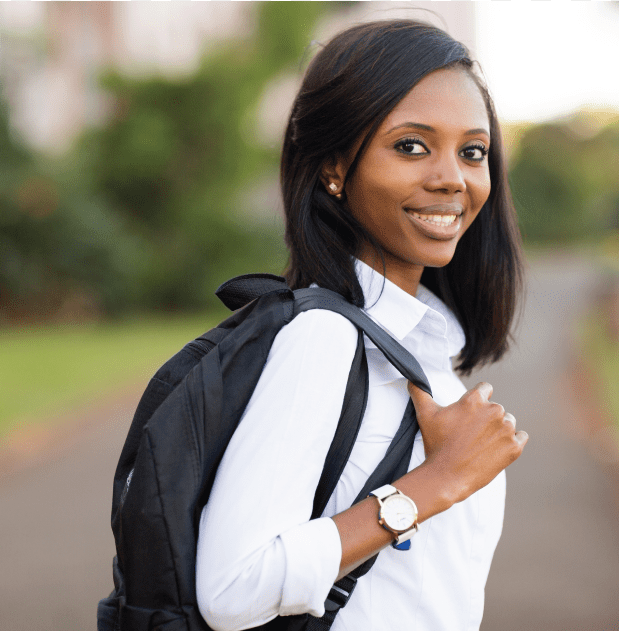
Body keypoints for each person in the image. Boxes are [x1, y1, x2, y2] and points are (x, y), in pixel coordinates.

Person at [196, 19, 527, 630]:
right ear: (334, 169)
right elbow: (232, 586)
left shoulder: (421, 346)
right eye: (411, 146)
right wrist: (437, 482)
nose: (451, 177)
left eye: (472, 152)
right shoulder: (323, 340)